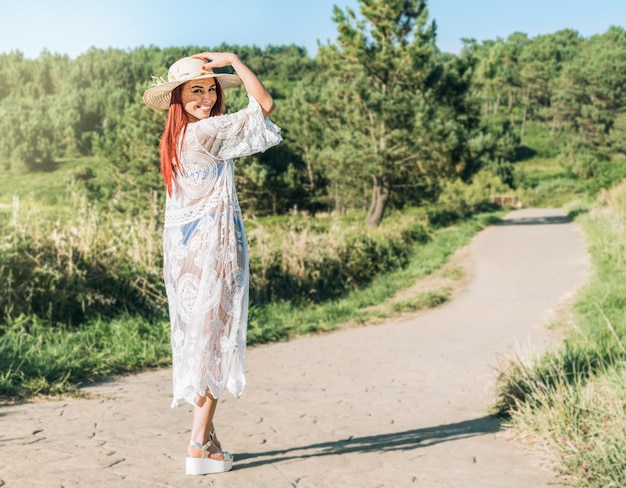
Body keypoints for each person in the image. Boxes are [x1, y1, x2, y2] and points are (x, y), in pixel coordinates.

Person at [143, 52, 282, 475]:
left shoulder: (177, 139)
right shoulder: (208, 132)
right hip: (213, 247)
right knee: (215, 341)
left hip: (185, 250)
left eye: (210, 89)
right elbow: (264, 105)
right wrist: (234, 60)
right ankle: (197, 444)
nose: (205, 98)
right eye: (195, 90)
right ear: (178, 98)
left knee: (202, 339)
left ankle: (209, 440)